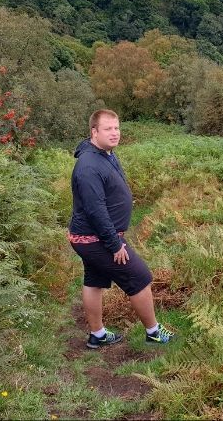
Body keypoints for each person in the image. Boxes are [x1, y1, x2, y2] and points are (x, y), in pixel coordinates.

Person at [68, 109, 174, 348]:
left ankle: (97, 335)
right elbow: (95, 210)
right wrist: (114, 244)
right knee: (139, 278)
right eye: (108, 129)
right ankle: (154, 332)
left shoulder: (104, 154)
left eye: (117, 128)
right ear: (94, 131)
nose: (115, 133)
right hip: (96, 239)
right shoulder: (88, 166)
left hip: (92, 237)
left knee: (94, 280)